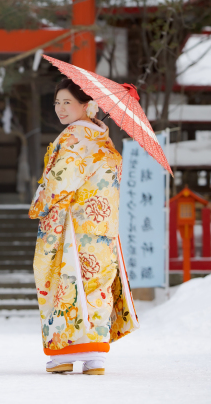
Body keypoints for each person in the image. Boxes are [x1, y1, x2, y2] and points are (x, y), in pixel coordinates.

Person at [29, 78, 139, 376]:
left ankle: (64, 354)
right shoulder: (104, 138)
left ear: (86, 105)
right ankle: (94, 356)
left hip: (73, 227)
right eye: (57, 102)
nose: (61, 109)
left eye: (68, 102)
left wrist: (39, 200)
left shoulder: (75, 136)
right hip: (102, 228)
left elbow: (61, 182)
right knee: (96, 285)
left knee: (66, 283)